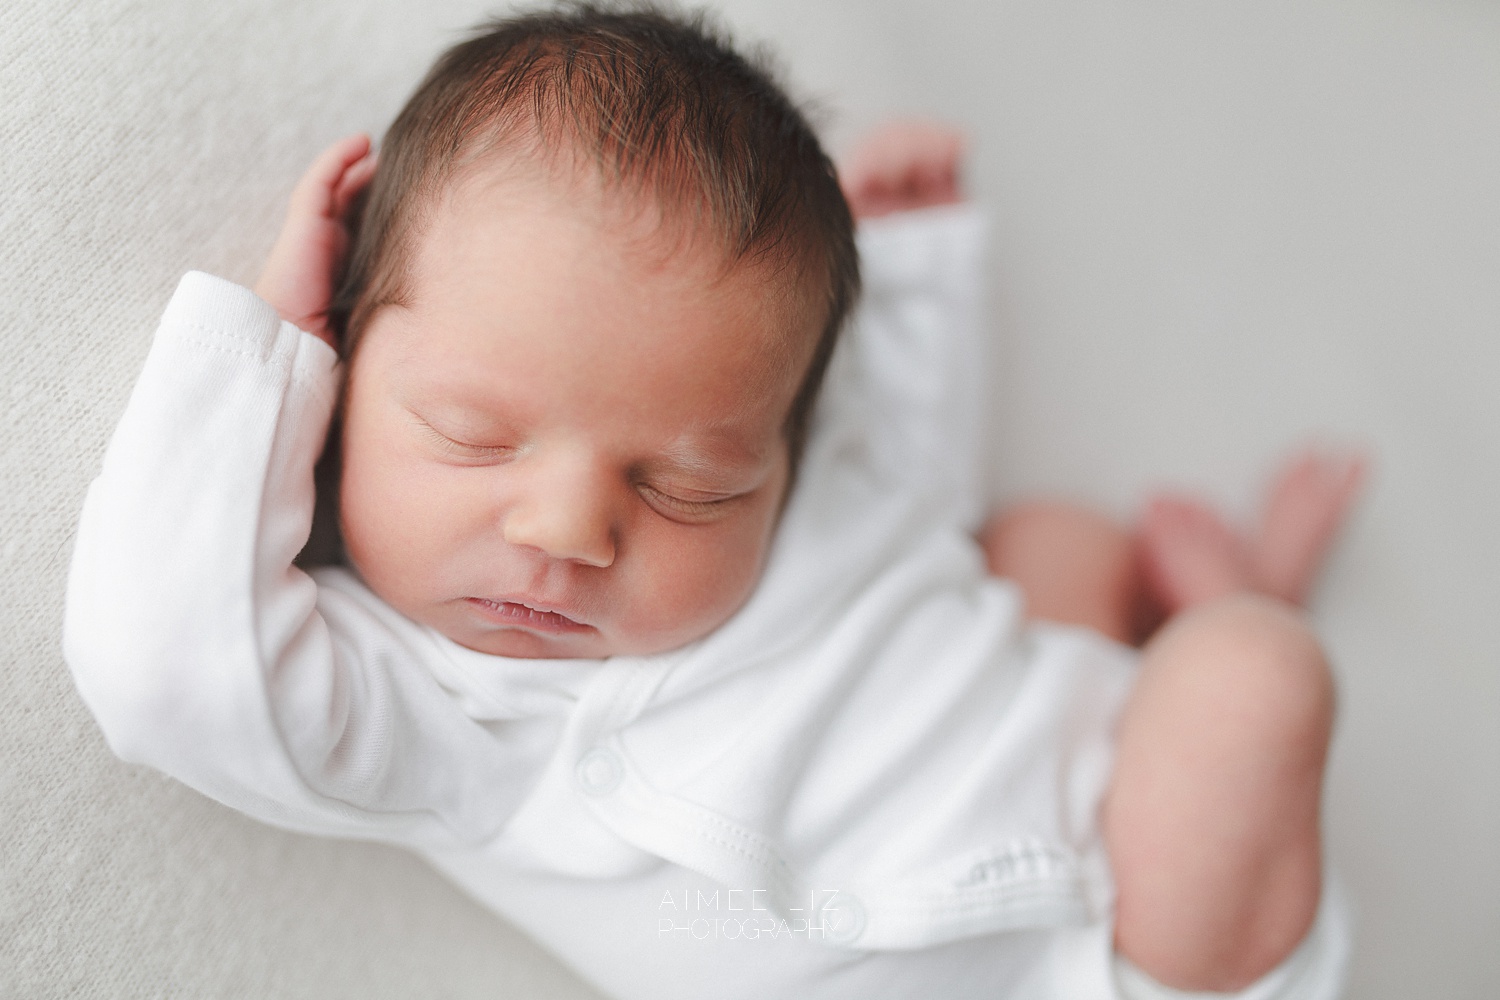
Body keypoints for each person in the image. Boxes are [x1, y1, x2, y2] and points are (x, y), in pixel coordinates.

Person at [64, 6, 1361, 998]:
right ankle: (1227, 627)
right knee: (1257, 674)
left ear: (777, 457)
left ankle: (1196, 657)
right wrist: (264, 366)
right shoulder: (450, 715)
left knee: (1056, 543)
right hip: (1065, 974)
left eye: (687, 485)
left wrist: (912, 280)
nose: (566, 531)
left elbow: (911, 483)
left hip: (1086, 763)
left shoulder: (813, 496)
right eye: (473, 436)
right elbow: (160, 667)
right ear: (349, 364)